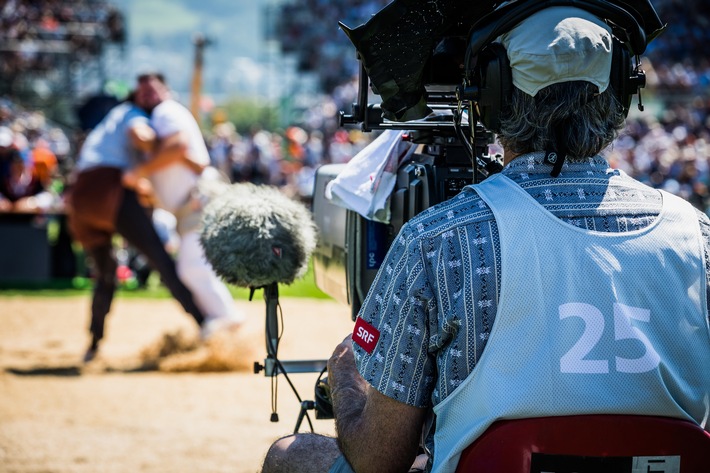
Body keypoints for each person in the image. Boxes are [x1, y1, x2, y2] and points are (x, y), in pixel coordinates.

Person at [261, 4, 710, 473]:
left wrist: (345, 377)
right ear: (621, 92)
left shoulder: (436, 240)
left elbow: (377, 459)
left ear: (490, 96)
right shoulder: (697, 236)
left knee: (288, 457)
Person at [65, 93, 207, 362]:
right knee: (161, 260)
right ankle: (205, 325)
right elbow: (141, 135)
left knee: (105, 274)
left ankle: (93, 343)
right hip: (107, 189)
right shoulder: (132, 113)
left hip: (79, 198)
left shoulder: (104, 124)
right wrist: (164, 149)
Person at [131, 73, 244, 337]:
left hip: (197, 199)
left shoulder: (165, 111)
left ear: (166, 91)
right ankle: (221, 323)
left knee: (192, 268)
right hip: (190, 204)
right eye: (142, 91)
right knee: (194, 268)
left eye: (153, 89)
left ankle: (227, 320)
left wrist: (139, 171)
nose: (148, 95)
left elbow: (179, 146)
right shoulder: (160, 116)